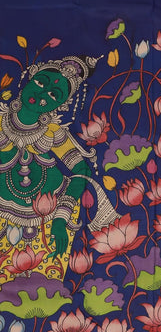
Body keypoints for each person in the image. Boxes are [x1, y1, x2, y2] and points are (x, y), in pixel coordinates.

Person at [0, 55, 119, 282]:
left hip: (46, 219)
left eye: (54, 95)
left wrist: (61, 218)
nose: (43, 94)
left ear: (61, 105)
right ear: (29, 78)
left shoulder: (53, 133)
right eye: (40, 82)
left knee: (41, 286)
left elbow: (81, 170)